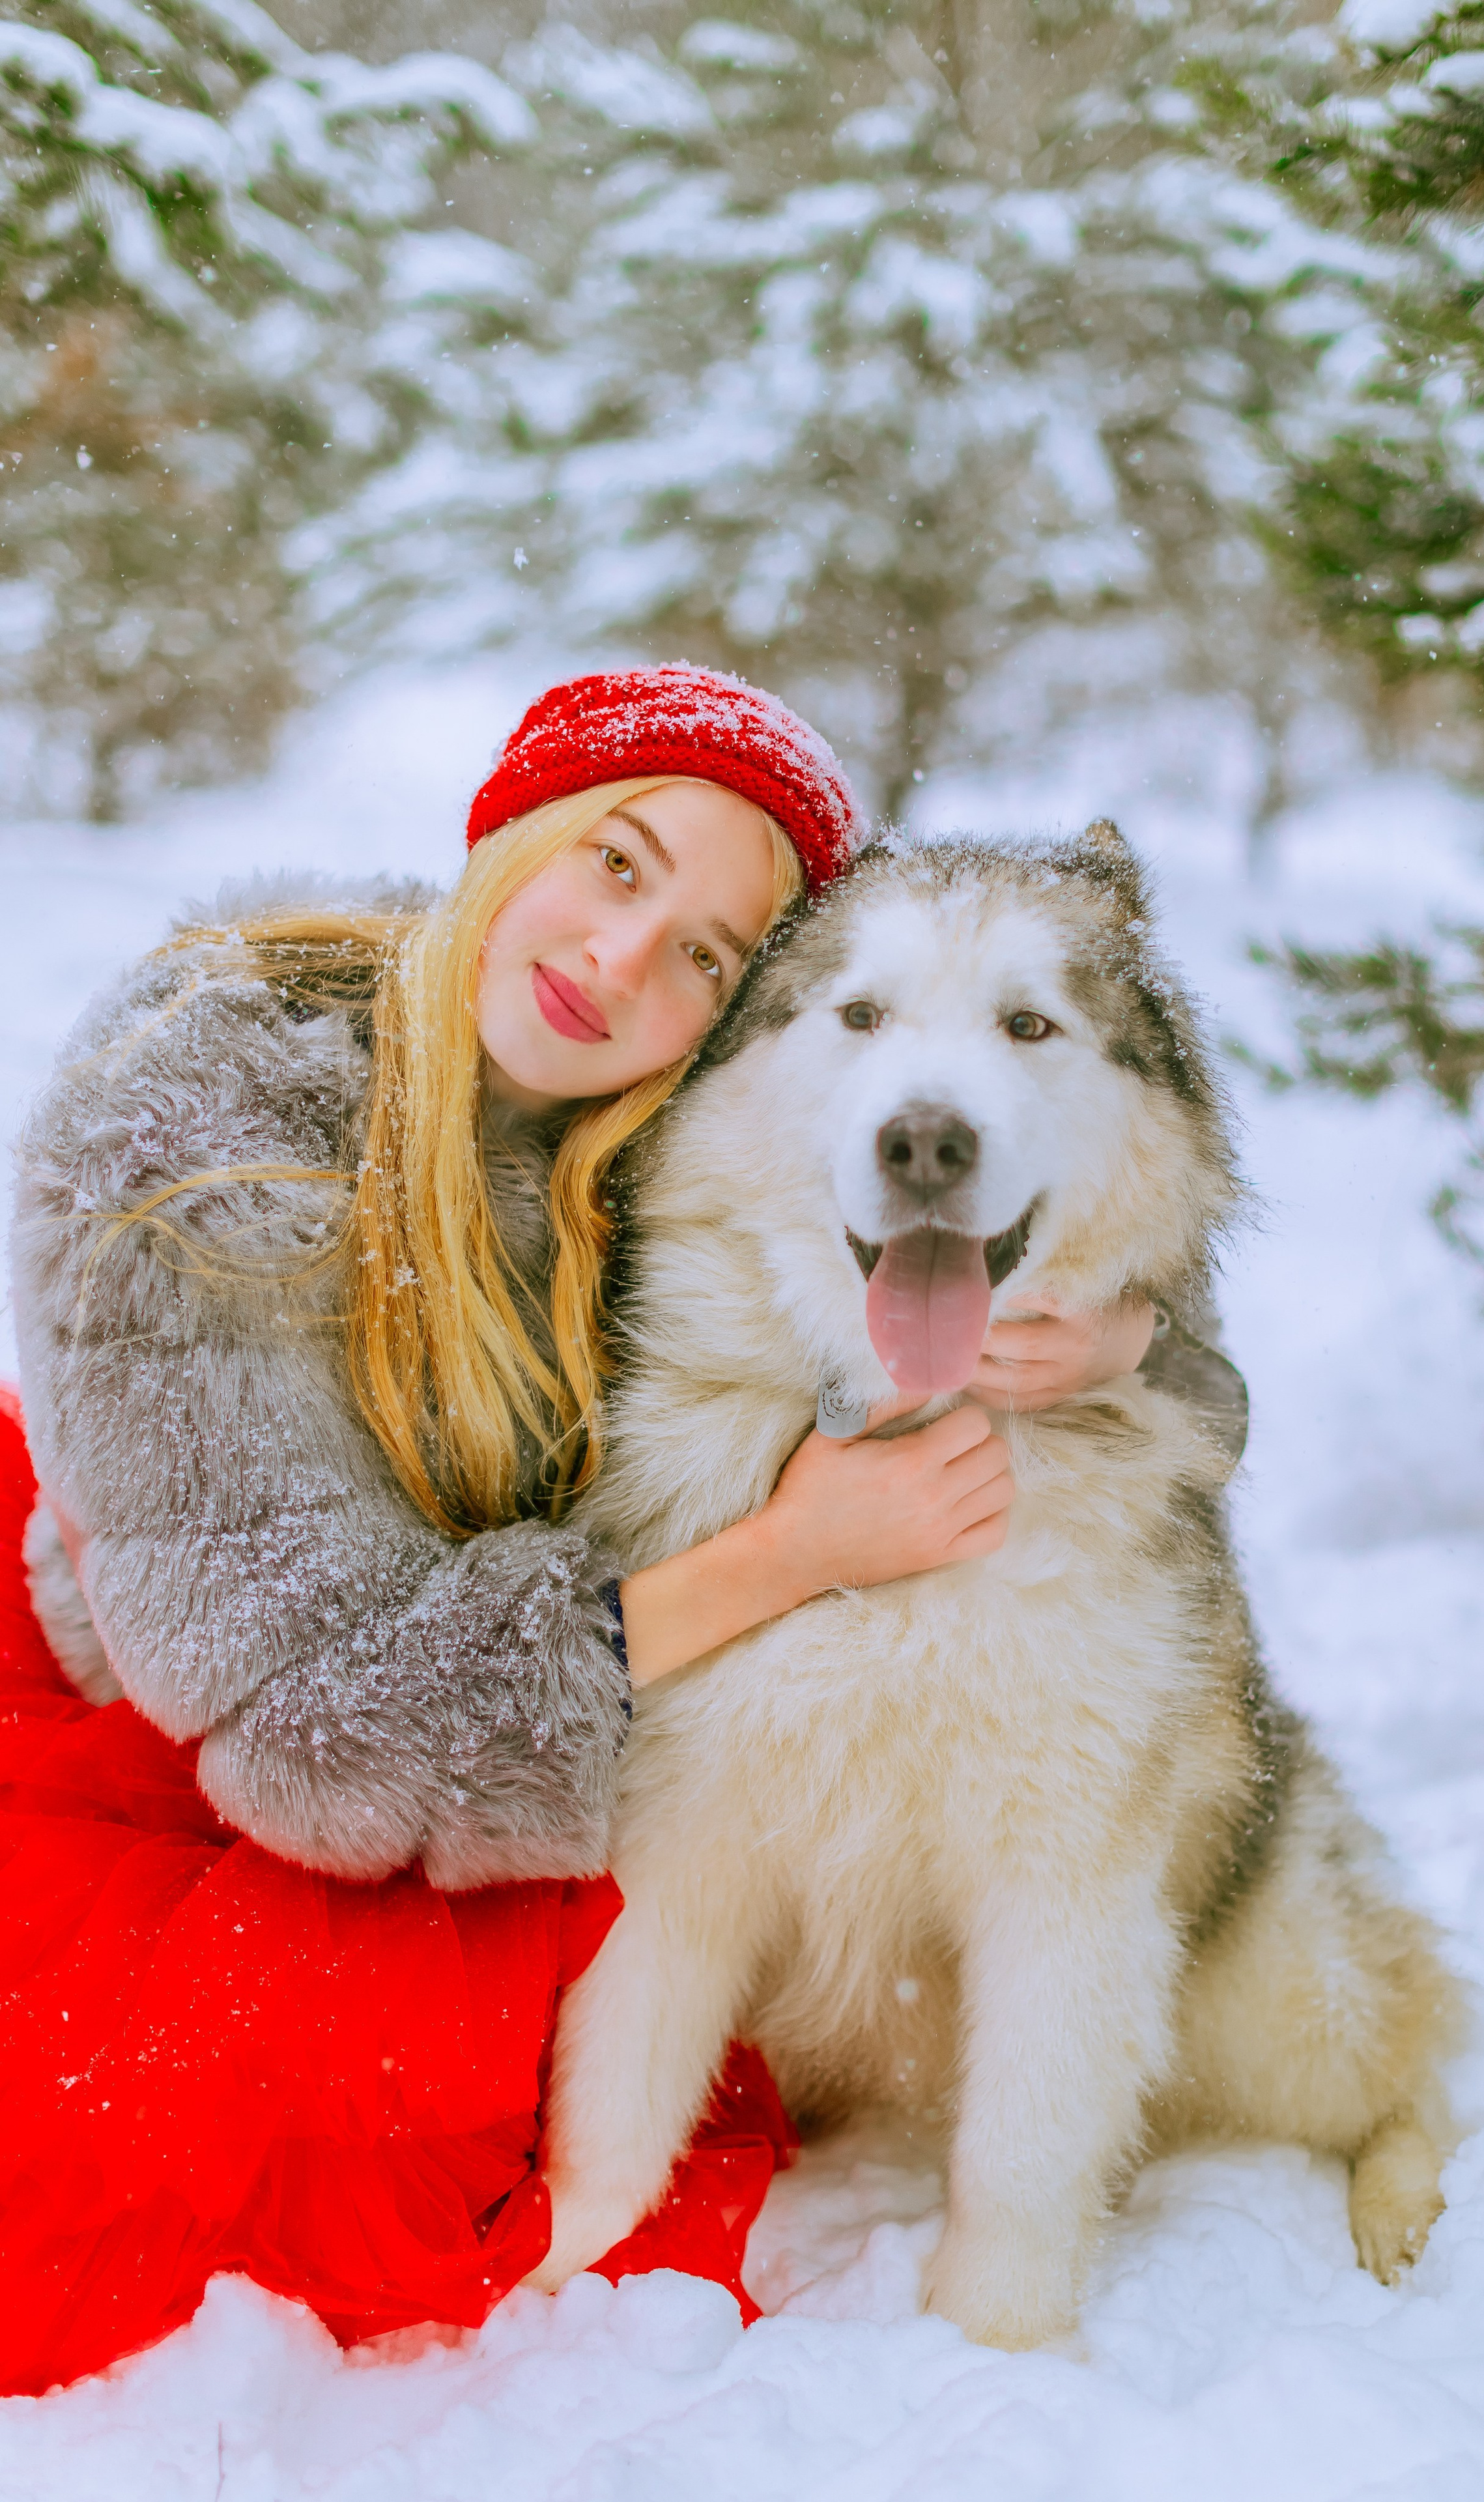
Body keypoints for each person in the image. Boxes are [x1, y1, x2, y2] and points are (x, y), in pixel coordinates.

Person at [0, 667, 1159, 2398]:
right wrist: (781, 1555)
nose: (625, 963)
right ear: (516, 831)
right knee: (360, 2103)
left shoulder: (659, 1129)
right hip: (197, 1734)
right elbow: (314, 1740)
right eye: (618, 865)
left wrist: (1117, 1328)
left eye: (706, 954)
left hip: (455, 1714)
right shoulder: (201, 1113)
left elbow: (1001, 1171)